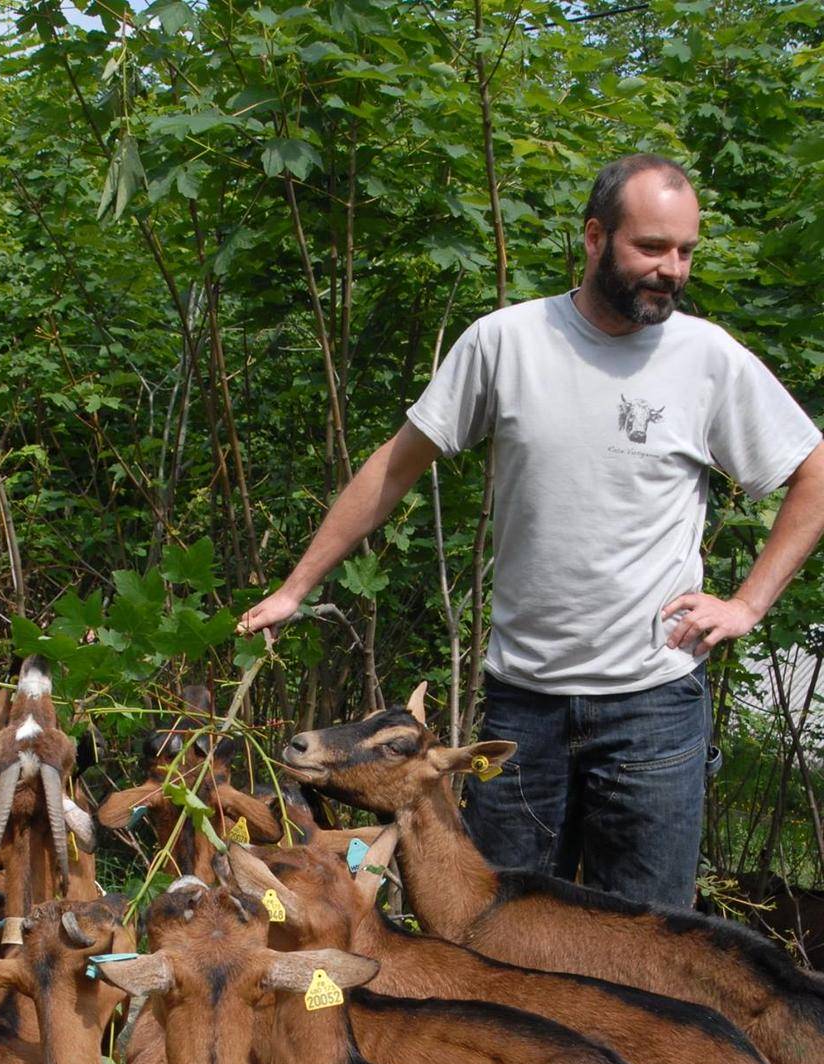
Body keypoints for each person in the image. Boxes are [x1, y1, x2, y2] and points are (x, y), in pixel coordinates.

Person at [239, 153, 824, 908]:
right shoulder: (506, 342)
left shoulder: (706, 359)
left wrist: (747, 604)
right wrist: (297, 586)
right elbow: (396, 465)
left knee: (646, 950)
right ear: (593, 237)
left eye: (685, 252)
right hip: (525, 707)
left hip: (652, 706)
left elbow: (812, 472)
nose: (671, 270)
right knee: (500, 936)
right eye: (651, 247)